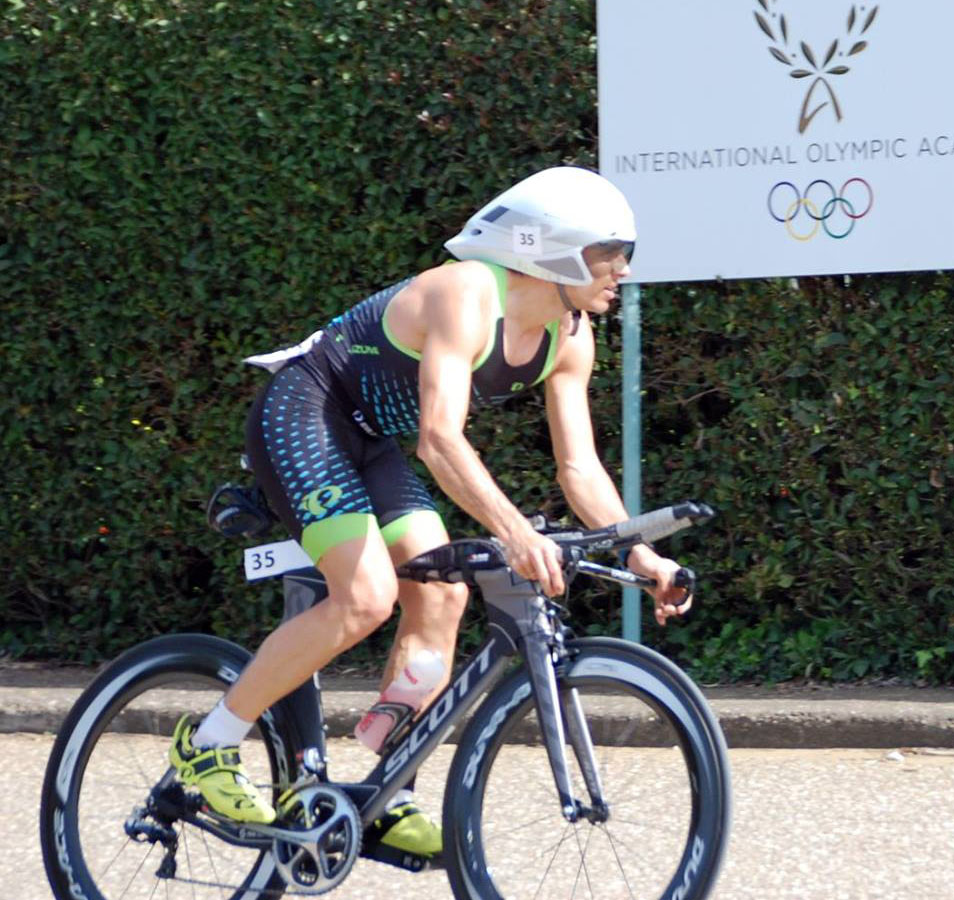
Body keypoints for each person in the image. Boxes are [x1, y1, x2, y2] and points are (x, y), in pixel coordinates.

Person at [168, 166, 693, 860]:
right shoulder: (466, 292)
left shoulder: (570, 338)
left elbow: (579, 468)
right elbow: (440, 439)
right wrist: (514, 532)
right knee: (366, 599)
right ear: (551, 251)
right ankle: (208, 744)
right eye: (609, 254)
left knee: (442, 593)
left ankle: (389, 792)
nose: (623, 270)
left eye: (627, 254)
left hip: (368, 444)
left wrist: (640, 552)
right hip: (306, 411)